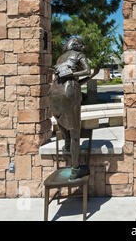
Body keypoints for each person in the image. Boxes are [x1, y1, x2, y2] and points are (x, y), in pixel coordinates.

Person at [49, 37, 91, 180]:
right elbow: (86, 70)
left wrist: (73, 75)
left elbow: (70, 79)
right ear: (76, 45)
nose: (83, 48)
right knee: (75, 132)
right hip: (69, 92)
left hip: (54, 92)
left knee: (61, 120)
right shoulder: (79, 55)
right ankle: (75, 168)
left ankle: (66, 144)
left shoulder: (60, 58)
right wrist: (75, 74)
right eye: (81, 44)